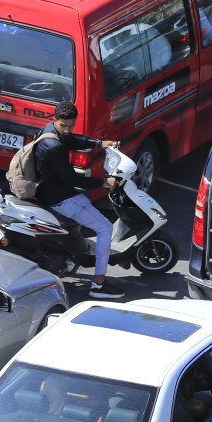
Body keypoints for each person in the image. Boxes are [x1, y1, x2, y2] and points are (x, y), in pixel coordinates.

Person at [34, 102, 124, 299]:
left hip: (48, 191)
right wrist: (103, 182)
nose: (67, 129)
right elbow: (72, 179)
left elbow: (72, 141)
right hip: (61, 198)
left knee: (87, 204)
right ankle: (99, 284)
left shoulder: (49, 131)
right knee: (104, 228)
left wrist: (100, 144)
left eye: (70, 125)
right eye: (63, 125)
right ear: (55, 120)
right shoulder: (54, 147)